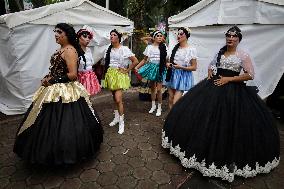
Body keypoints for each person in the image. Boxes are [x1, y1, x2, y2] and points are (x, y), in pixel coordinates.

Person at [162, 26, 280, 182]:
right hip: (214, 86)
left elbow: (250, 75)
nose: (230, 38)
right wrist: (211, 72)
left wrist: (229, 79)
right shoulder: (220, 52)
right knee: (204, 117)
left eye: (234, 36)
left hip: (233, 89)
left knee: (230, 121)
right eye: (228, 36)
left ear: (239, 39)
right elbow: (212, 66)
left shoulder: (242, 55)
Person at [13, 23, 103, 165]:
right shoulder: (61, 49)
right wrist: (48, 77)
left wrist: (53, 80)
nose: (56, 34)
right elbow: (57, 69)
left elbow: (73, 75)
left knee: (66, 121)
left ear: (67, 35)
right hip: (54, 88)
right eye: (55, 32)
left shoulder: (70, 50)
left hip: (66, 91)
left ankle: (67, 152)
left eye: (59, 32)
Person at [103, 29, 139, 134]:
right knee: (114, 98)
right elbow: (106, 62)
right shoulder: (108, 49)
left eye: (114, 35)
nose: (111, 36)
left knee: (118, 99)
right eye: (111, 35)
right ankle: (116, 118)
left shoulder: (124, 49)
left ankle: (122, 122)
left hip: (119, 75)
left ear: (119, 37)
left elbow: (135, 61)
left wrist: (127, 70)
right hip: (110, 74)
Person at [136, 30, 168, 117]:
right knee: (152, 88)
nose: (160, 37)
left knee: (159, 89)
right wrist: (137, 66)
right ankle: (153, 105)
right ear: (154, 38)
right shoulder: (149, 47)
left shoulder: (164, 46)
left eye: (161, 36)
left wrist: (168, 65)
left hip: (160, 68)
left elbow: (166, 60)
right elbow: (145, 59)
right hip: (151, 68)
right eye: (157, 36)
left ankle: (159, 107)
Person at [165, 27, 197, 109]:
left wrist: (181, 67)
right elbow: (167, 61)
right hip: (172, 74)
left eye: (181, 34)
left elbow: (194, 67)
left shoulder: (191, 50)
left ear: (186, 36)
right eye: (177, 34)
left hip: (183, 76)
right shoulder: (174, 48)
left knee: (176, 102)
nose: (178, 35)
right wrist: (167, 64)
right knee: (171, 99)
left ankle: (175, 119)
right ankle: (171, 120)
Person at [77, 27, 101, 96]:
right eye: (84, 36)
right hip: (80, 78)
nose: (88, 39)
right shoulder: (75, 51)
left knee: (88, 98)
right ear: (78, 37)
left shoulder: (88, 50)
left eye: (89, 37)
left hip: (90, 77)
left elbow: (91, 63)